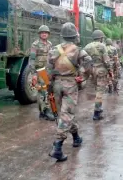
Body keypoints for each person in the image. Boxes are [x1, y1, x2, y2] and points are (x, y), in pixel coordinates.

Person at [48, 22, 92, 161]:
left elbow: (47, 70)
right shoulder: (78, 50)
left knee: (64, 113)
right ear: (75, 36)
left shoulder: (53, 50)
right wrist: (83, 77)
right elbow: (89, 63)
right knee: (67, 114)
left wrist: (49, 85)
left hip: (56, 85)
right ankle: (58, 146)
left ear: (62, 36)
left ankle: (76, 138)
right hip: (70, 85)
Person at [84, 30, 112, 120]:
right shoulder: (102, 46)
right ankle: (97, 112)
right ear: (100, 38)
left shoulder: (87, 46)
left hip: (91, 70)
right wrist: (110, 70)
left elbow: (84, 60)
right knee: (99, 92)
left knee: (96, 90)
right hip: (100, 71)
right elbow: (106, 60)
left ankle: (98, 109)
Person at [29, 25, 55, 121]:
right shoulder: (35, 45)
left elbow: (52, 58)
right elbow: (31, 60)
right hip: (40, 71)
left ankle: (42, 112)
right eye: (42, 32)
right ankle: (46, 110)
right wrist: (33, 74)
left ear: (48, 34)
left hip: (47, 71)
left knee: (45, 91)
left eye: (46, 32)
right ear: (39, 34)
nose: (44, 34)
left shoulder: (50, 44)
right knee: (43, 91)